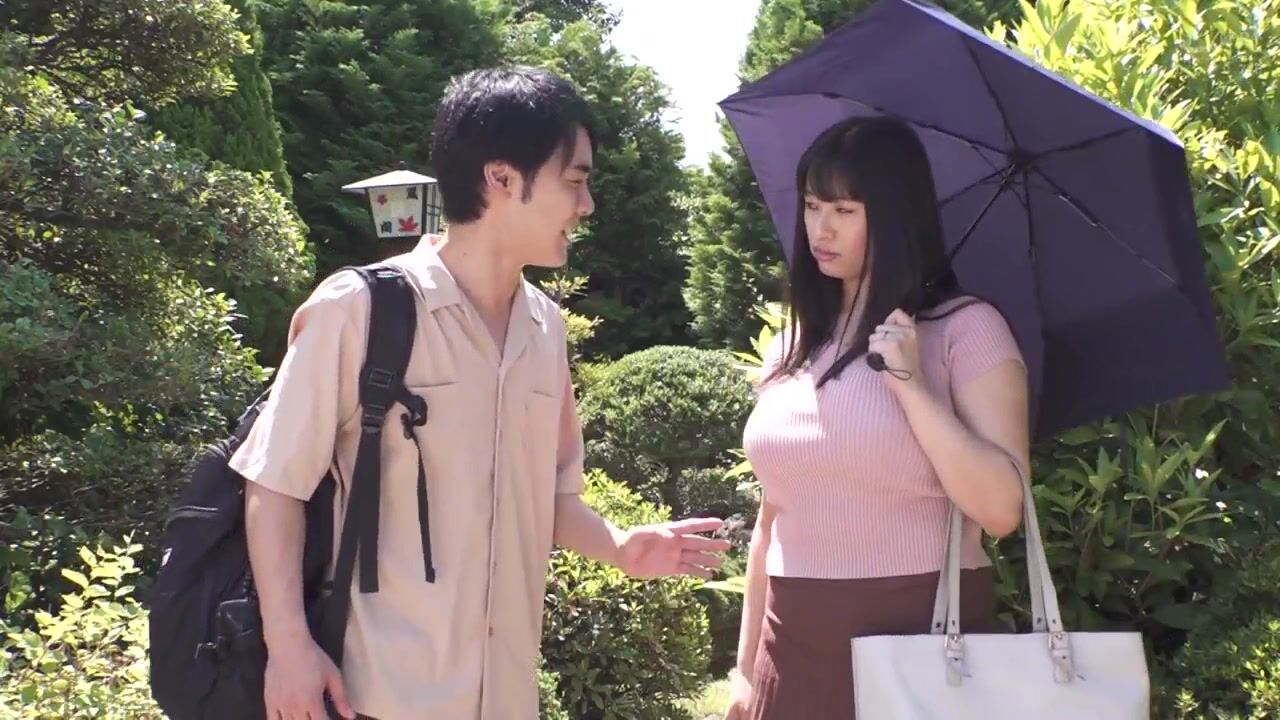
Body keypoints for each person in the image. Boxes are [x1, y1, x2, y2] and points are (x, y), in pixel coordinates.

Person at [231, 65, 731, 720]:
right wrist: (288, 644)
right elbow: (274, 483)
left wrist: (620, 546)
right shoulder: (361, 309)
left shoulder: (545, 328)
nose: (586, 206)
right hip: (377, 696)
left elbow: (552, 498)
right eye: (574, 181)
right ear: (501, 178)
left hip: (507, 697)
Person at [723, 116, 1031, 719]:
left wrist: (912, 386)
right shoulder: (792, 346)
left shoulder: (967, 331)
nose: (821, 228)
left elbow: (1002, 510)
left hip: (921, 639)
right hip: (791, 646)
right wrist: (742, 669)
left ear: (894, 216)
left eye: (845, 210)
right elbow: (771, 521)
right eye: (812, 206)